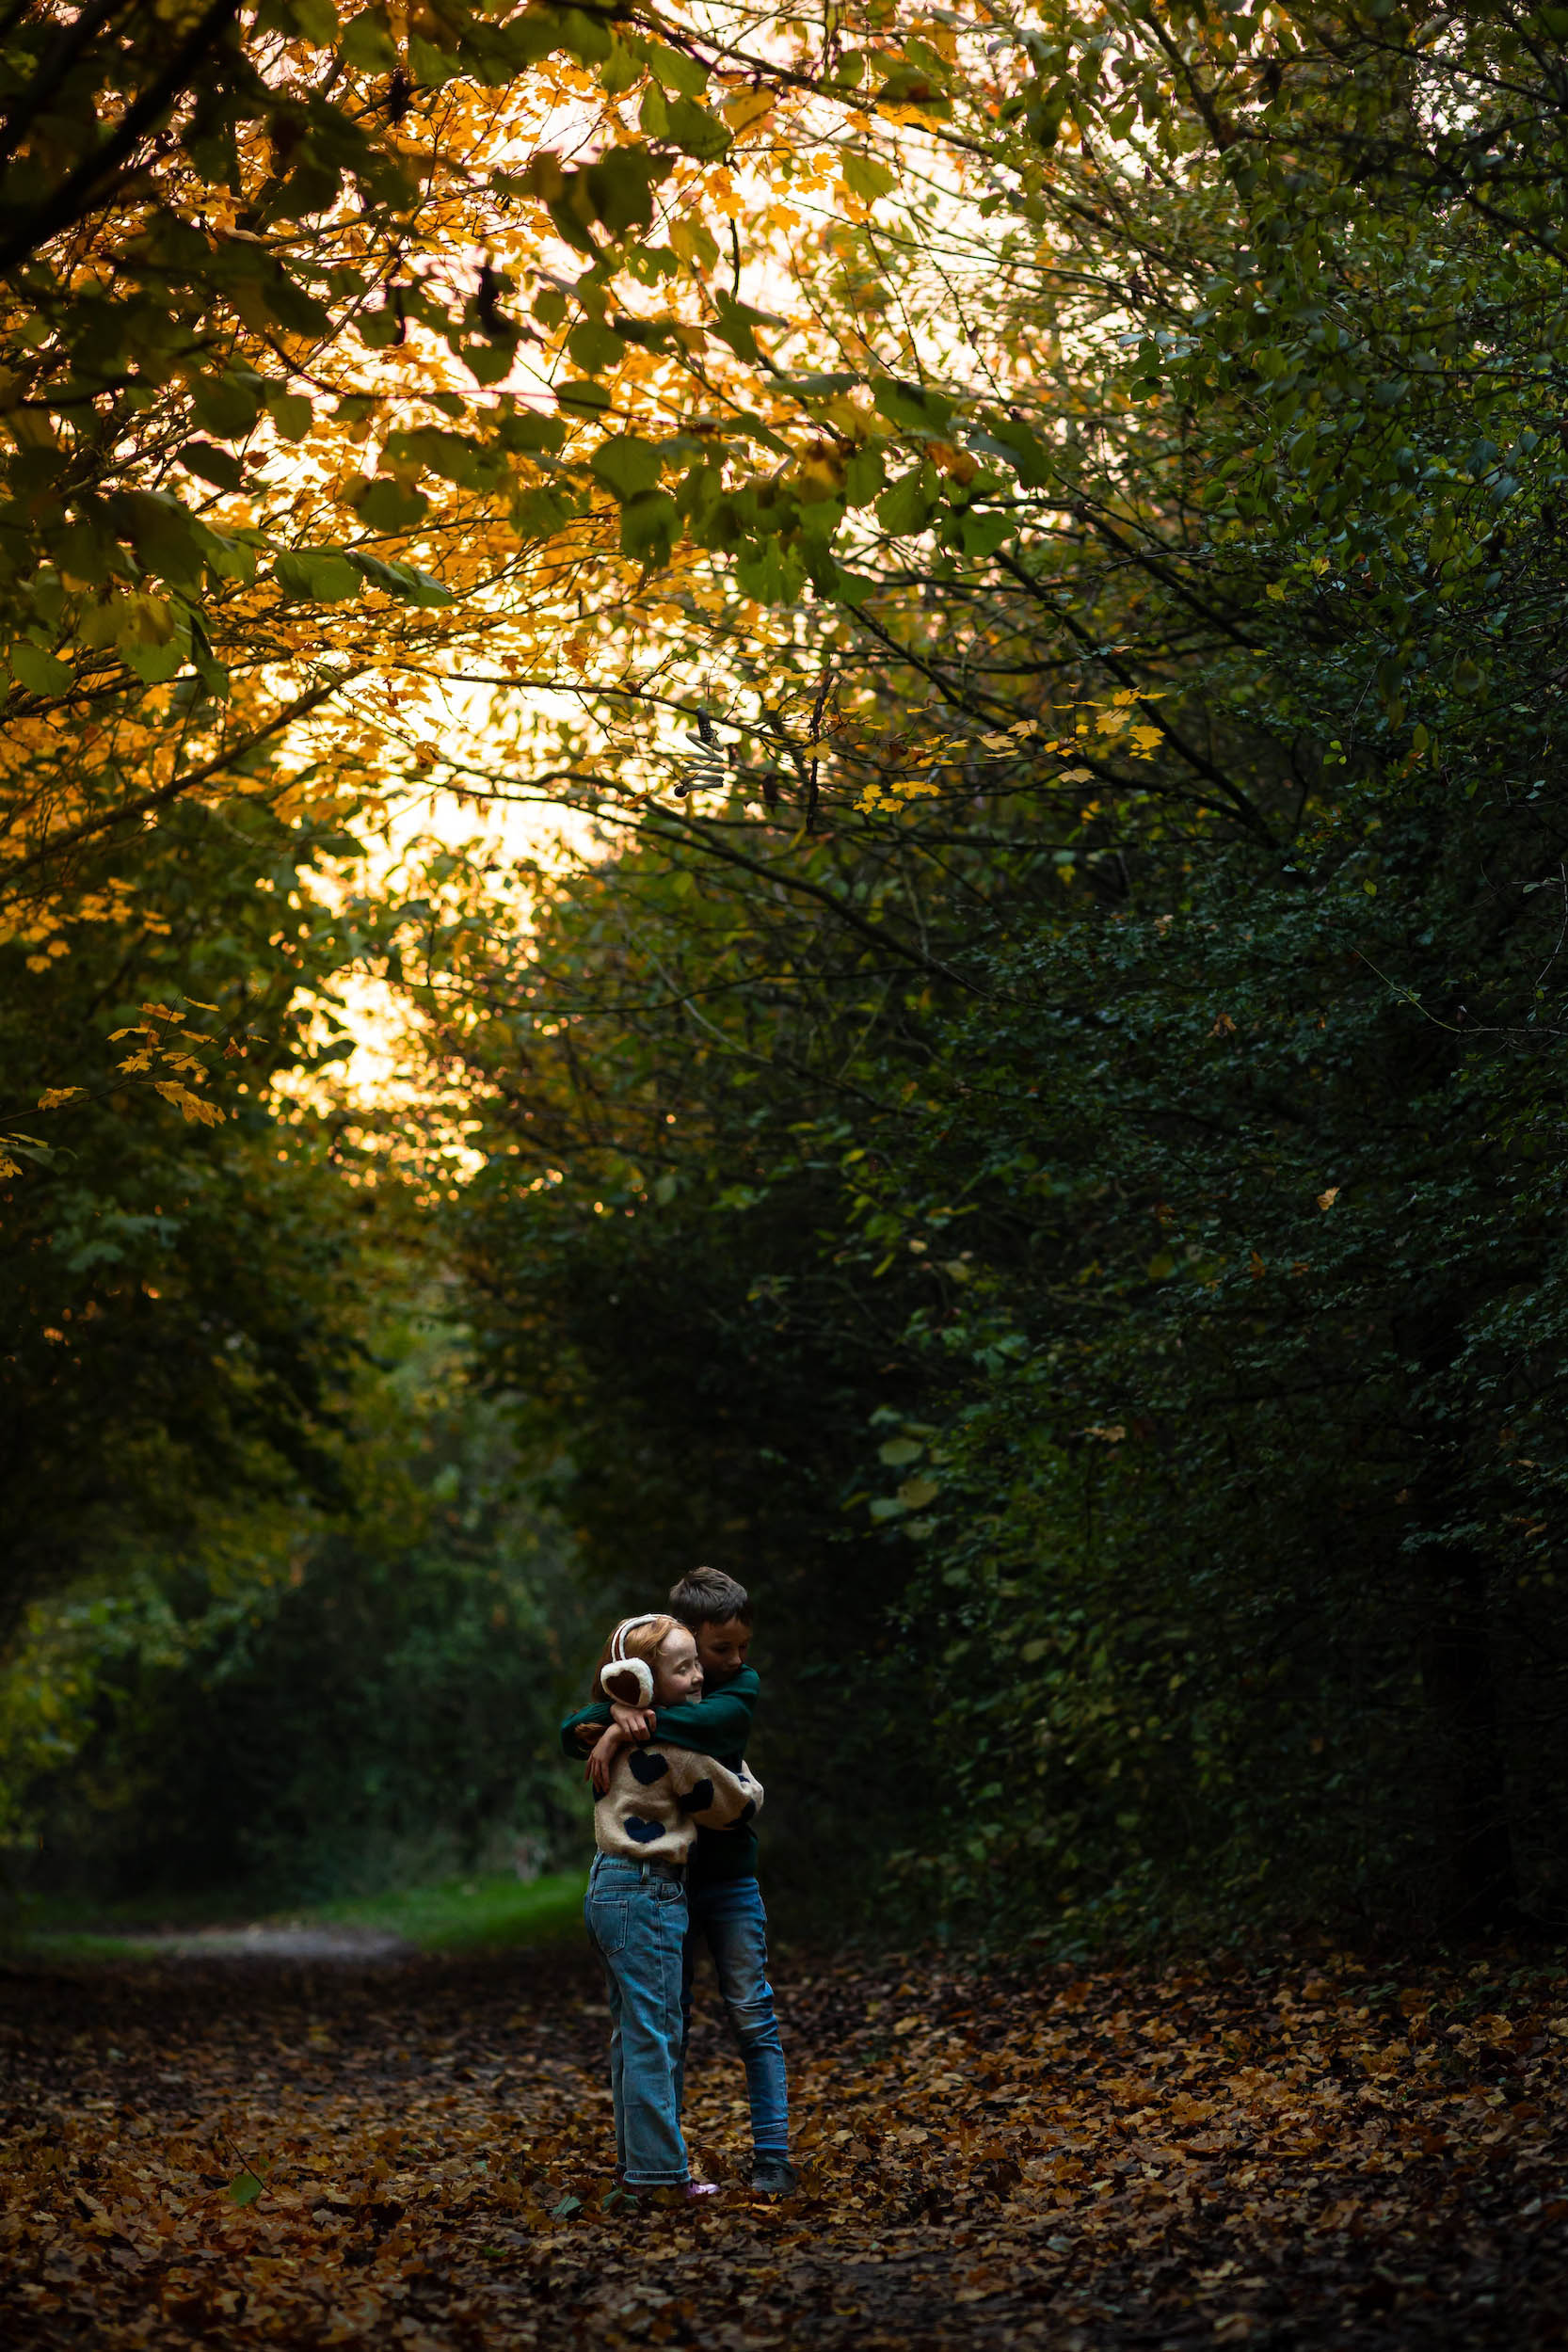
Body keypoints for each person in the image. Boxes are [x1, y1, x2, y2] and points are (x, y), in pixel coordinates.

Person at [562, 1568, 795, 2196]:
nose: (734, 1660)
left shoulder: (735, 1689)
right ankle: (655, 2161)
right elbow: (570, 1730)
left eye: (741, 1646)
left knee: (750, 2011)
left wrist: (625, 1723)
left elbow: (710, 1729)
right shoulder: (661, 1681)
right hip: (669, 1884)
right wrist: (614, 1710)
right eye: (718, 1650)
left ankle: (772, 2153)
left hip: (728, 1879)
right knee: (666, 2021)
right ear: (682, 1641)